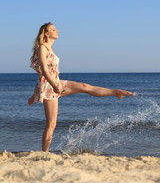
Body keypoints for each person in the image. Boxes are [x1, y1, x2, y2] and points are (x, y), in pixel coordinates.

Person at [28, 22, 135, 152]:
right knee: (51, 124)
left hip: (54, 82)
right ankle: (45, 153)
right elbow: (44, 70)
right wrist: (53, 85)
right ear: (46, 33)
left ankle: (116, 92)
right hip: (51, 86)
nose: (57, 31)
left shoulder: (50, 49)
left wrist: (35, 94)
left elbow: (43, 75)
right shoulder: (42, 48)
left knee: (85, 86)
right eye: (54, 29)